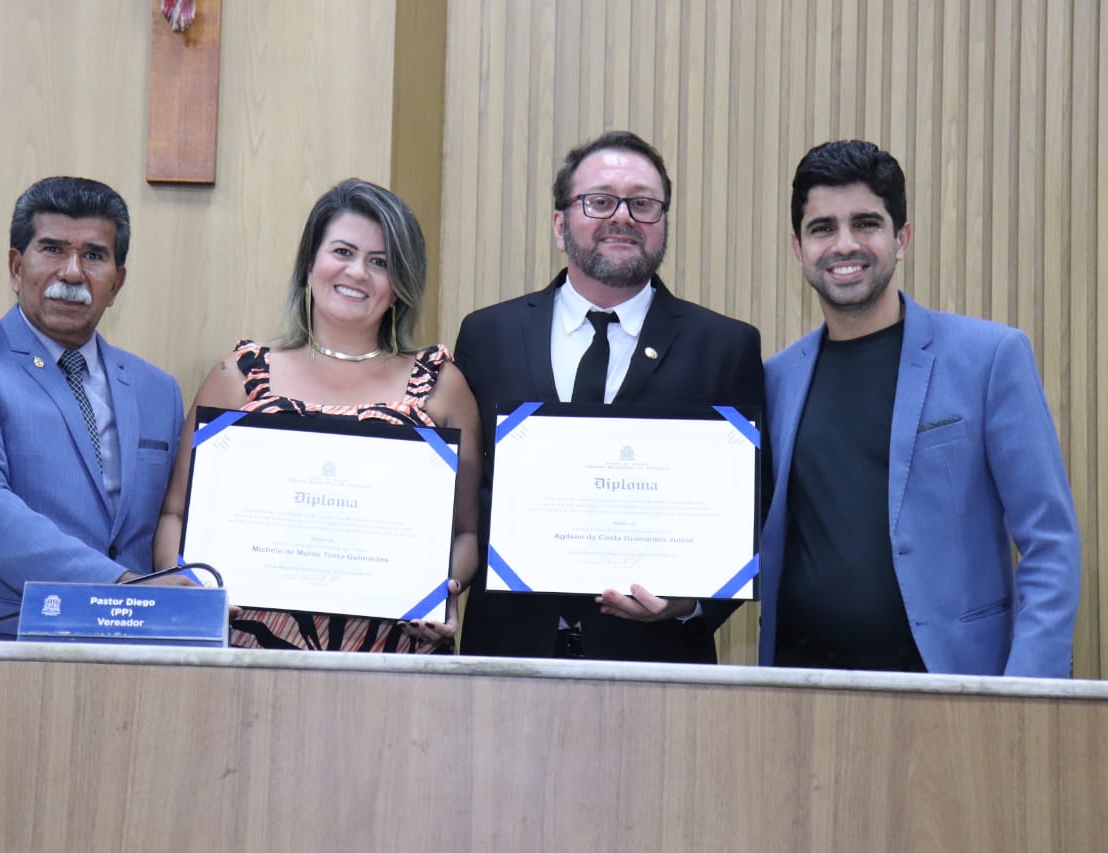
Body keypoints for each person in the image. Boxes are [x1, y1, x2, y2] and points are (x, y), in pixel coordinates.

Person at [760, 140, 1081, 676]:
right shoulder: (775, 379)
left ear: (901, 238)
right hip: (799, 694)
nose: (844, 245)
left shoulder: (990, 358)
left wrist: (1027, 693)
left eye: (866, 223)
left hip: (951, 693)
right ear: (798, 247)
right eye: (823, 228)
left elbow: (1050, 543)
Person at [453, 130, 765, 662]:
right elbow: (465, 495)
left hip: (657, 660)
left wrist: (690, 603)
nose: (622, 216)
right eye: (598, 201)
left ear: (663, 225)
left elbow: (753, 501)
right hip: (507, 657)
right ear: (560, 224)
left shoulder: (725, 346)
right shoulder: (488, 335)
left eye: (643, 204)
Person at [154, 178, 481, 653]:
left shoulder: (440, 384)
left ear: (402, 283)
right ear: (310, 263)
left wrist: (442, 590)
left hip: (394, 659)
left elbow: (467, 531)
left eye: (381, 262)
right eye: (343, 251)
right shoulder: (240, 376)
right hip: (246, 652)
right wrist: (189, 589)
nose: (358, 273)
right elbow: (174, 515)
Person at [0, 176, 189, 639]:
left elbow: (170, 522)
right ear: (17, 267)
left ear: (117, 283)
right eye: (53, 249)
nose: (72, 273)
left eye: (94, 255)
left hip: (129, 658)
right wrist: (116, 586)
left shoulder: (158, 391)